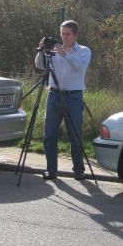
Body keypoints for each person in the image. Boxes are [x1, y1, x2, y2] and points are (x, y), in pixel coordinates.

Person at [35, 20, 91, 180]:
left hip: (73, 97)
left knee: (74, 135)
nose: (64, 37)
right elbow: (39, 65)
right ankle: (51, 170)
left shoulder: (83, 51)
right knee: (49, 134)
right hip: (54, 96)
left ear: (75, 35)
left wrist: (64, 54)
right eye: (62, 34)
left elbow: (80, 67)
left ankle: (79, 170)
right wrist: (41, 51)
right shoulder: (54, 50)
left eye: (67, 34)